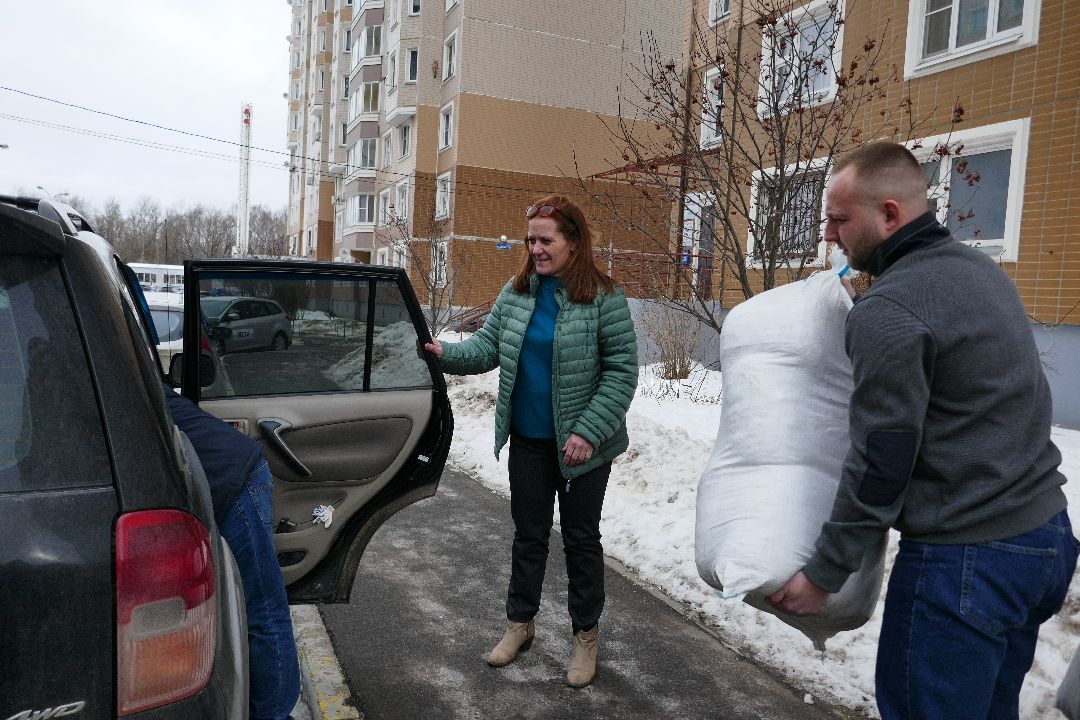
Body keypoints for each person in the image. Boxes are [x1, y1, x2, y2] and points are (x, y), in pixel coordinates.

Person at [766, 142, 1076, 719]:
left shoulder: (891, 308)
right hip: (1043, 540)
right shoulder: (978, 270)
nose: (830, 236)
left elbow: (882, 458)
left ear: (889, 214)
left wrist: (825, 571)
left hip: (966, 560)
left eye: (839, 219)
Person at [425, 195, 638, 688]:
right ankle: (520, 625)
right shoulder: (518, 291)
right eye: (531, 240)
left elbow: (622, 373)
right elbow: (486, 348)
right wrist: (443, 354)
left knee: (582, 541)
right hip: (528, 441)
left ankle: (585, 637)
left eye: (546, 240)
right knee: (529, 535)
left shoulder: (604, 297)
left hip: (585, 447)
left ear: (573, 242)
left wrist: (588, 430)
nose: (536, 249)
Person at [164, 387, 301, 720]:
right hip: (227, 473)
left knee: (263, 611)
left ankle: (273, 713)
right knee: (251, 608)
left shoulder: (113, 378)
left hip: (235, 480)